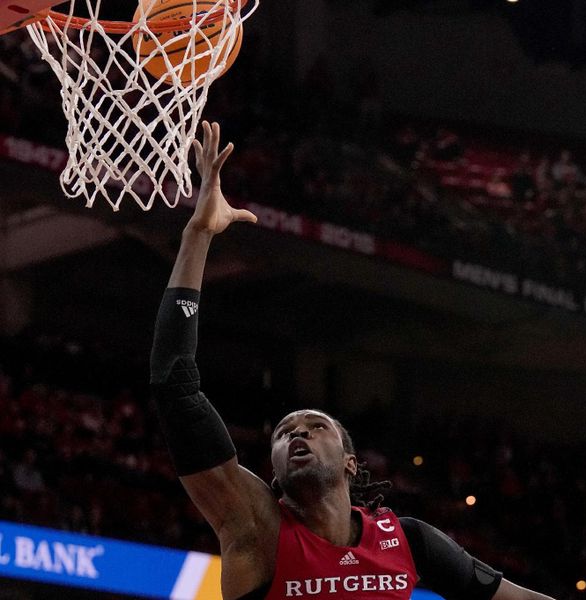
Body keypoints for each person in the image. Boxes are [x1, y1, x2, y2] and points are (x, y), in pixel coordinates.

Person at [149, 121, 558, 600]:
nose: (296, 433)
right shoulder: (255, 525)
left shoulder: (409, 540)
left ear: (349, 464)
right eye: (283, 433)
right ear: (274, 473)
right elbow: (174, 383)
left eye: (314, 427)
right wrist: (198, 234)